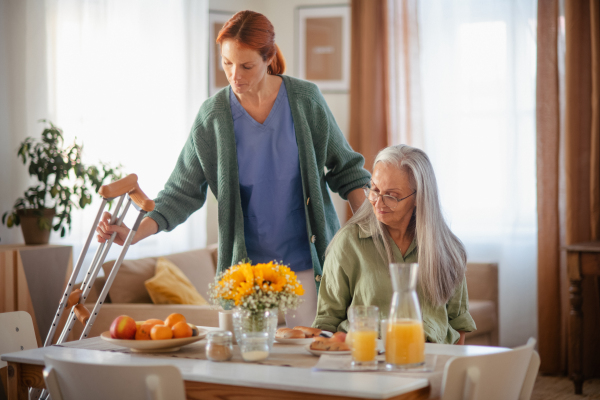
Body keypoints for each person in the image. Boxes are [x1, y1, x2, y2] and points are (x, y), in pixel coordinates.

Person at [95, 10, 371, 328]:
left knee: (310, 358)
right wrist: (133, 233)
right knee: (250, 367)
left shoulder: (306, 100)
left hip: (309, 266)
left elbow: (346, 169)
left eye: (246, 65)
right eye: (227, 63)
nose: (234, 75)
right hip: (245, 273)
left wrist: (370, 236)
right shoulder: (213, 116)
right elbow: (180, 192)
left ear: (268, 58)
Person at [312, 144, 476, 344]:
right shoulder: (348, 243)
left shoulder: (447, 248)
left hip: (432, 362)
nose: (378, 203)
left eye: (391, 196)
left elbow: (458, 324)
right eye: (374, 190)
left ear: (419, 197)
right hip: (367, 362)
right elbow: (326, 322)